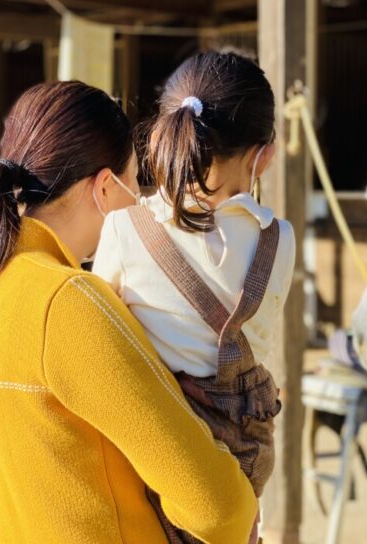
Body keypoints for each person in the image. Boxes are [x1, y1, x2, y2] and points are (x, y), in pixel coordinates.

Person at [0, 80, 258, 544]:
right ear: (104, 187)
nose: (138, 201)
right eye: (134, 181)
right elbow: (215, 504)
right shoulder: (69, 301)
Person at [93, 51, 295, 544]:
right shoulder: (279, 240)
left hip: (159, 465)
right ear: (263, 156)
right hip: (240, 473)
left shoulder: (123, 229)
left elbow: (102, 345)